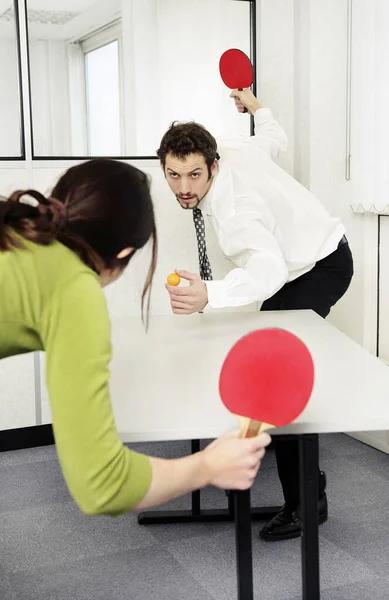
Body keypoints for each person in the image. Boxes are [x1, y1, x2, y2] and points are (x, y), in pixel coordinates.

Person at [0, 158, 271, 517]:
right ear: (125, 251)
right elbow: (102, 485)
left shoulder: (17, 233)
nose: (184, 185)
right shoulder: (73, 290)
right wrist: (207, 465)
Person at [159, 90, 354, 540]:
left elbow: (265, 272)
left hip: (318, 268)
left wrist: (209, 293)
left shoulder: (236, 213)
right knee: (266, 367)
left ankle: (308, 502)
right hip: (302, 263)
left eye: (193, 175)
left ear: (212, 165)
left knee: (276, 384)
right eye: (174, 175)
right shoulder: (232, 145)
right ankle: (262, 448)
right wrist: (254, 104)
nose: (184, 187)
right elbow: (273, 136)